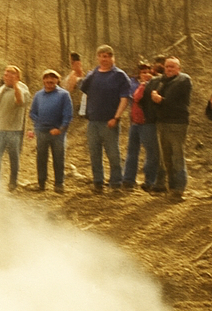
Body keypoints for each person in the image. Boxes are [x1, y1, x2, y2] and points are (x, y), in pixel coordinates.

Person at [77, 45, 132, 192]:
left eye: (107, 56)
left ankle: (116, 183)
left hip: (110, 121)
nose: (104, 59)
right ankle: (98, 182)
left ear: (112, 58)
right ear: (97, 58)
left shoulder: (119, 75)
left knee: (113, 154)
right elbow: (82, 87)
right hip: (93, 121)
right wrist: (77, 73)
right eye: (101, 56)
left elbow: (124, 99)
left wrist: (116, 117)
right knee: (94, 153)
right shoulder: (93, 74)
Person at [150, 56, 193, 201]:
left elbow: (172, 99)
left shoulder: (183, 80)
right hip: (163, 122)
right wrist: (155, 97)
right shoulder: (162, 81)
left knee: (177, 156)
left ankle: (180, 188)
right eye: (167, 66)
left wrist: (159, 98)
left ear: (178, 69)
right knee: (166, 157)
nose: (169, 69)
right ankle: (172, 187)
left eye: (172, 67)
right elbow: (151, 96)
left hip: (177, 123)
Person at [27, 69, 73, 192]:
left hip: (57, 133)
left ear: (57, 80)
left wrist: (60, 129)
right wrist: (39, 123)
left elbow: (68, 115)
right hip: (41, 131)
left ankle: (59, 184)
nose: (49, 80)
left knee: (58, 158)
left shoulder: (64, 95)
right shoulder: (38, 95)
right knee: (41, 158)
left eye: (52, 78)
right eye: (46, 78)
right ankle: (41, 184)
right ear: (43, 80)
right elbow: (32, 113)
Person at [0, 65, 28, 193]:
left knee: (14, 158)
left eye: (11, 75)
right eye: (5, 75)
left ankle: (13, 183)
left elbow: (20, 102)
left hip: (14, 130)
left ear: (17, 77)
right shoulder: (1, 89)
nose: (7, 77)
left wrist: (15, 86)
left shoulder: (23, 88)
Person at [122, 61, 161, 192]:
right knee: (132, 152)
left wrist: (149, 83)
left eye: (148, 72)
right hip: (134, 122)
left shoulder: (154, 84)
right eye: (143, 72)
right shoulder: (133, 83)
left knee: (151, 152)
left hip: (147, 122)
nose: (145, 74)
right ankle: (128, 179)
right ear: (138, 73)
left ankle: (150, 181)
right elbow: (134, 96)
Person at [62, 52, 86, 119]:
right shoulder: (72, 76)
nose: (71, 65)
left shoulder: (84, 76)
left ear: (79, 63)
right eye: (71, 63)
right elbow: (69, 90)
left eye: (72, 62)